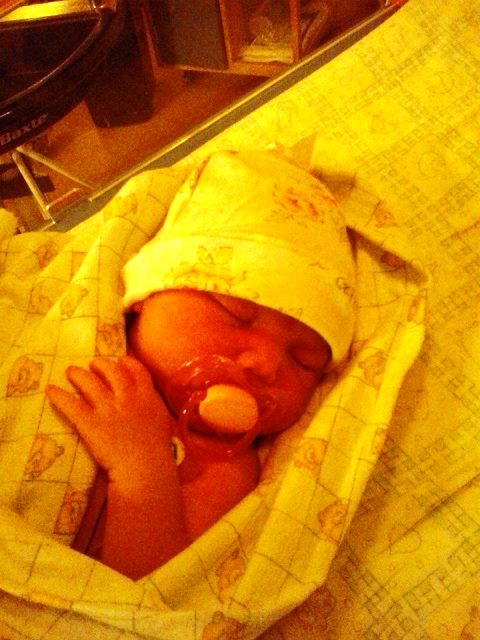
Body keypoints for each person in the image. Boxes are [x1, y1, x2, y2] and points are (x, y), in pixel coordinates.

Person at [45, 149, 356, 580]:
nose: (266, 364)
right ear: (147, 296)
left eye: (303, 360)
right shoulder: (77, 330)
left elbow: (147, 591)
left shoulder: (219, 466)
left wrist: (142, 467)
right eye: (236, 314)